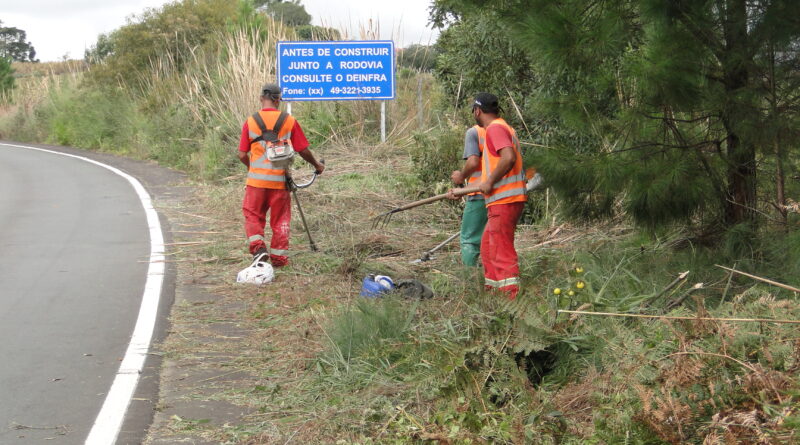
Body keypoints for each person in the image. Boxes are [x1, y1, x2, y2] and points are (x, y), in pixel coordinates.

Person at [237, 83, 324, 268]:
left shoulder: (250, 121)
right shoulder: (289, 120)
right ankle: (279, 259)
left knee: (253, 216)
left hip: (256, 183)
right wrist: (317, 165)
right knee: (281, 221)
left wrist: (252, 169)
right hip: (280, 183)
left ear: (261, 98)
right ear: (278, 100)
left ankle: (258, 249)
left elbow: (242, 154)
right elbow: (303, 149)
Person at [467, 92, 527, 299]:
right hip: (501, 200)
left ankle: (511, 298)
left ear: (477, 111)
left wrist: (490, 181)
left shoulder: (494, 129)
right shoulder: (501, 127)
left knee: (501, 250)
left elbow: (508, 157)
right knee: (487, 247)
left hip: (505, 200)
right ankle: (493, 293)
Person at [450, 125, 488, 267]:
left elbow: (473, 162)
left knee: (469, 240)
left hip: (479, 194)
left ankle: (470, 279)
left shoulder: (475, 132)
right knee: (492, 238)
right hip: (503, 194)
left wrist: (461, 177)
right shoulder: (508, 129)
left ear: (477, 111)